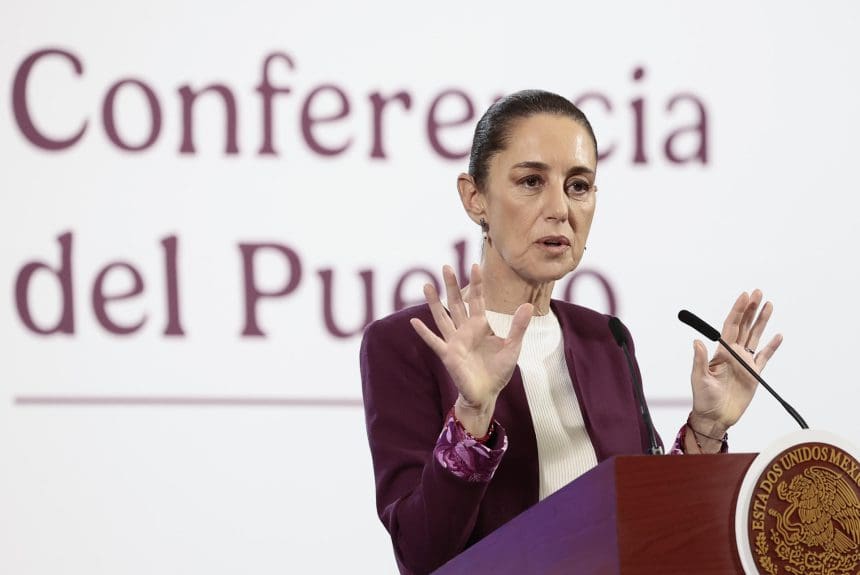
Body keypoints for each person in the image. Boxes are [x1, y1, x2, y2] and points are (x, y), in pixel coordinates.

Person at [359, 90, 782, 575]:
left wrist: (708, 428)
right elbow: (420, 554)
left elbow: (651, 520)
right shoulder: (406, 343)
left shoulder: (607, 339)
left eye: (579, 185)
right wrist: (472, 418)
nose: (560, 208)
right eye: (531, 181)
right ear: (474, 198)